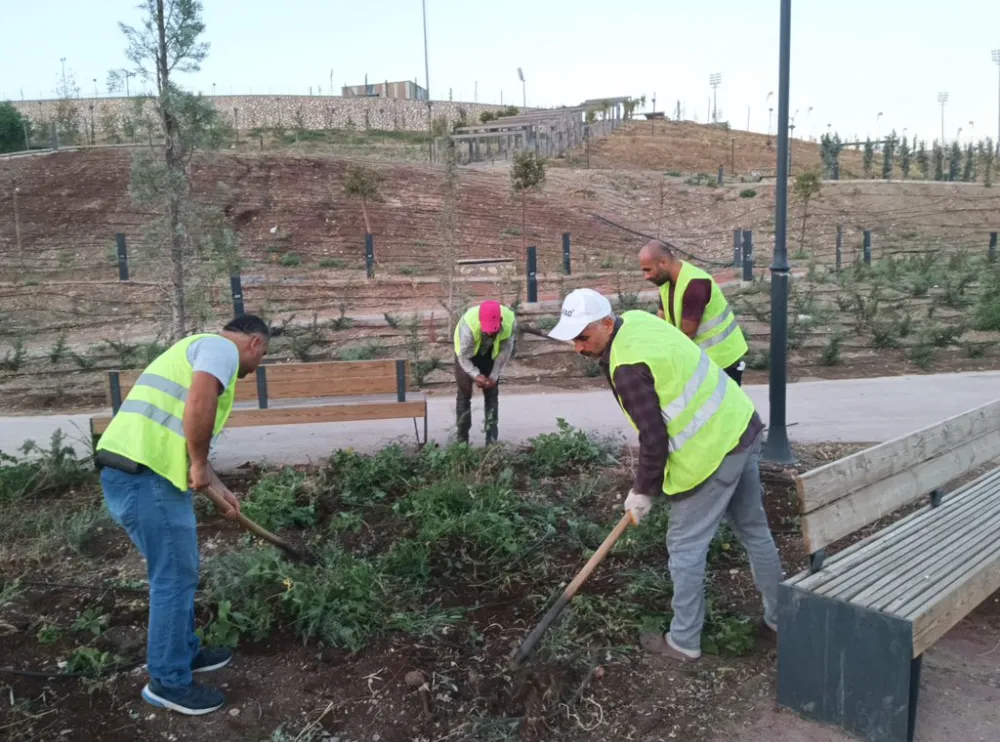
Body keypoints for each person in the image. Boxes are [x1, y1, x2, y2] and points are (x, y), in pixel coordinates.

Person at [548, 288, 782, 663]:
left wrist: (643, 490)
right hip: (741, 426)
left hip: (711, 455)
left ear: (607, 324)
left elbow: (653, 437)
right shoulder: (637, 320)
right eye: (573, 338)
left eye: (583, 336)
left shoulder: (625, 367)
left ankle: (685, 640)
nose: (578, 347)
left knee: (686, 548)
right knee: (754, 531)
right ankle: (781, 620)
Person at [94, 315, 270, 715]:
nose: (253, 370)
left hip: (138, 474)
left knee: (178, 570)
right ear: (255, 343)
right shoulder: (221, 349)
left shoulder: (197, 348)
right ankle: (168, 681)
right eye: (262, 358)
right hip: (144, 478)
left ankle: (184, 651)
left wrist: (218, 486)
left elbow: (184, 430)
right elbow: (200, 402)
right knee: (173, 576)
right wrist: (198, 462)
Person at [638, 239, 749, 385]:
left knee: (722, 407)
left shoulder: (694, 284)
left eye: (648, 270)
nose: (646, 277)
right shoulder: (665, 283)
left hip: (722, 361)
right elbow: (661, 321)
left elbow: (687, 334)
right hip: (703, 361)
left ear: (663, 262)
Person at [453, 300, 517, 445]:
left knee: (492, 393)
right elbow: (462, 356)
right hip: (466, 354)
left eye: (492, 330)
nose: (489, 332)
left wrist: (493, 376)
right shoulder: (468, 327)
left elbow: (505, 351)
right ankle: (462, 442)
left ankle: (491, 442)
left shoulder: (510, 322)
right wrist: (475, 375)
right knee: (464, 394)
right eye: (486, 329)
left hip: (490, 353)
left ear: (500, 321)